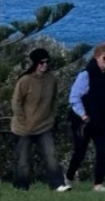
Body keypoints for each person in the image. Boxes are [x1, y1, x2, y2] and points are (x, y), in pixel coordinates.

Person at [59, 42, 105, 192]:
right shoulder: (86, 74)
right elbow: (74, 97)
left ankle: (98, 184)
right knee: (80, 152)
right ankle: (68, 178)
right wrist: (83, 115)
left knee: (103, 151)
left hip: (102, 121)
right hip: (83, 121)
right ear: (97, 57)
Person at [10, 47, 65, 191]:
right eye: (41, 62)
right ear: (35, 64)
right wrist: (23, 120)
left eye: (47, 62)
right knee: (22, 162)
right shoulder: (25, 80)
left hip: (44, 126)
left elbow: (54, 100)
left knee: (51, 157)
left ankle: (58, 185)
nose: (45, 65)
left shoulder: (51, 80)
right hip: (23, 129)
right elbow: (16, 102)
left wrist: (52, 117)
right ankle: (21, 188)